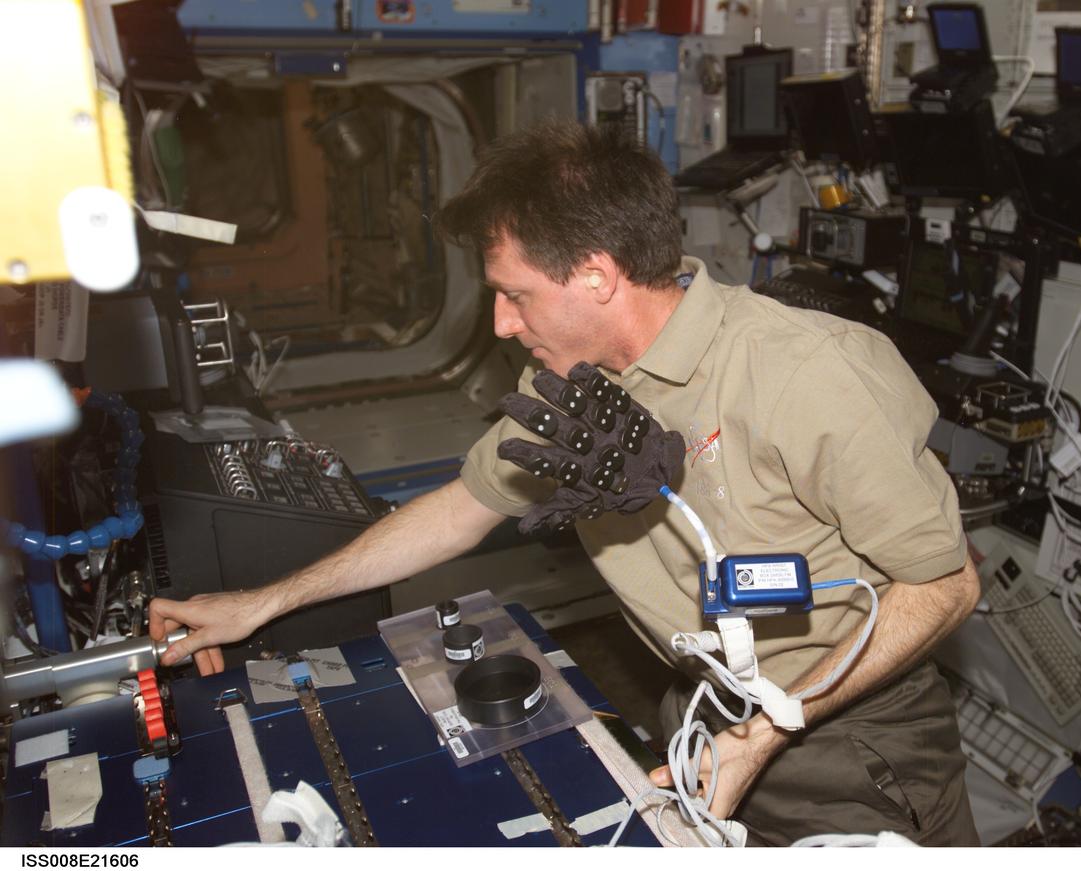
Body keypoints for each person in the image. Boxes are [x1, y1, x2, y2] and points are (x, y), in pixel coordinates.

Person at [149, 120, 982, 845]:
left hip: (853, 732)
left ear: (596, 275)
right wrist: (260, 601)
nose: (504, 323)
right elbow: (458, 511)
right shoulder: (578, 392)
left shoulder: (808, 372)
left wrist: (768, 731)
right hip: (701, 709)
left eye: (515, 295)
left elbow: (945, 584)